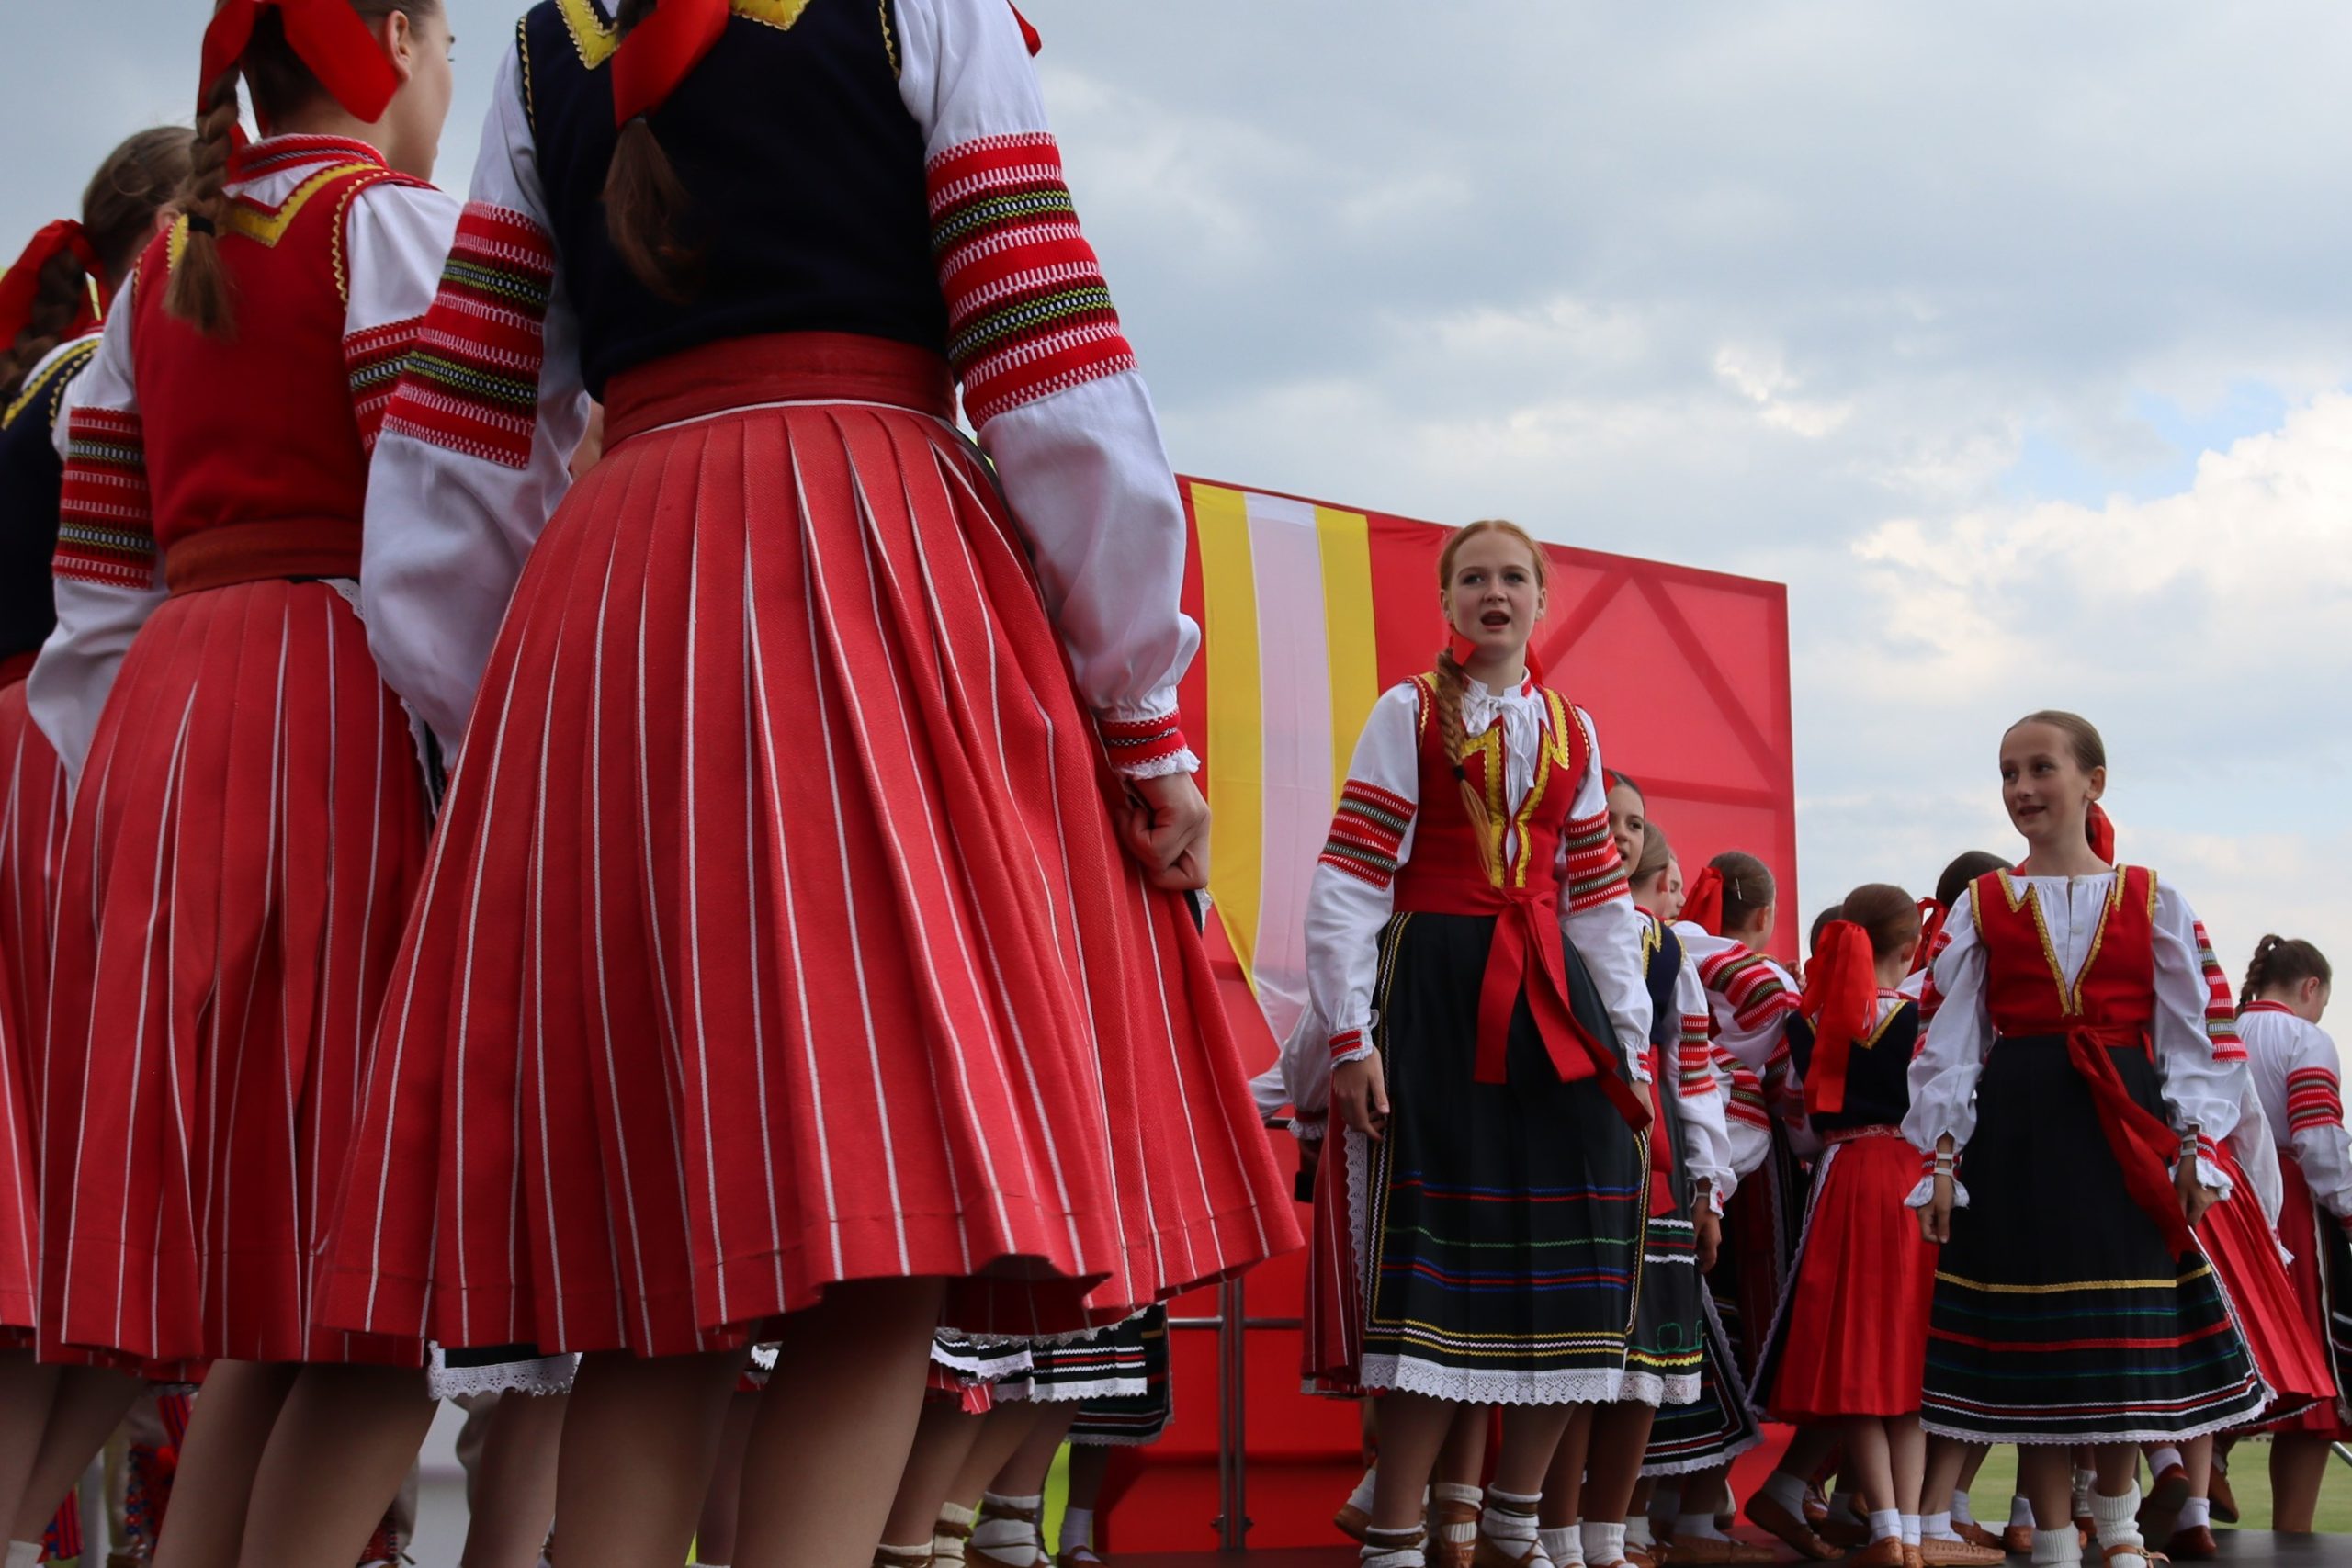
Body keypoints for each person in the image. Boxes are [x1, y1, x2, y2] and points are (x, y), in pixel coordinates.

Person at [314, 5, 1299, 1565]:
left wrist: (515, 729)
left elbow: (463, 443)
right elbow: (1047, 365)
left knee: (646, 1257)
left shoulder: (545, 45)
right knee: (886, 1233)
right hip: (872, 557)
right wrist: (1140, 714)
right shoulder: (918, 7)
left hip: (614, 604)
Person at [26, 5, 461, 1563]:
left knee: (279, 1285)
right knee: (383, 1282)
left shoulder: (156, 269)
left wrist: (138, 785)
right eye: (447, 40)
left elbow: (93, 595)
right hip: (343, 708)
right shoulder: (389, 229)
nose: (452, 74)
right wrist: (482, 749)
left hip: (174, 716)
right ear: (396, 39)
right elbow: (441, 529)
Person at [1303, 517, 1665, 1568]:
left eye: (1512, 577)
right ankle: (1396, 1531)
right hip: (1434, 993)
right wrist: (1349, 1037)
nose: (1492, 593)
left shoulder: (1574, 731)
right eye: (1472, 578)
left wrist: (1628, 1048)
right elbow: (1351, 876)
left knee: (1579, 1257)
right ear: (1446, 601)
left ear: (1541, 599)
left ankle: (1514, 1517)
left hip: (1552, 1000)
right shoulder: (1407, 711)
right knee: (1438, 1257)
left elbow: (1599, 903)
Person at [1907, 711, 2267, 1568]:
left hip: (2120, 1123)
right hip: (2020, 1127)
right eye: (2008, 772)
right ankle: (2057, 1540)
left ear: (2092, 781)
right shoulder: (1982, 904)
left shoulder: (2153, 898)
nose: (2022, 788)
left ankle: (2119, 1528)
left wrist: (2196, 1146)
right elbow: (1945, 1038)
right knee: (2038, 1343)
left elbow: (2200, 1032)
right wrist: (1942, 1159)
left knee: (2120, 1331)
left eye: (2041, 768)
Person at [0, 124, 193, 1568]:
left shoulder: (46, 385)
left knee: (86, 1253)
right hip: (69, 764)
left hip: (43, 756)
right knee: (80, 1233)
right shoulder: (105, 384)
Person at [1753, 886, 2001, 1568]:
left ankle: (1889, 1528)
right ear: (1911, 946)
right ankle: (1911, 1533)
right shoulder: (1924, 1019)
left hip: (1844, 1177)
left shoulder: (1810, 1021)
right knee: (1909, 1354)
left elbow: (1800, 1124)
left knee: (1857, 1353)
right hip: (1913, 1178)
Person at [2235, 936, 2345, 1533]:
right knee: (2310, 1382)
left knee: (2227, 1360)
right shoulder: (2305, 1038)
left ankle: (2196, 1498)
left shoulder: (2218, 1030)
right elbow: (2317, 1140)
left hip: (2217, 1206)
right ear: (2311, 987)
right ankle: (2293, 1536)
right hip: (2289, 1212)